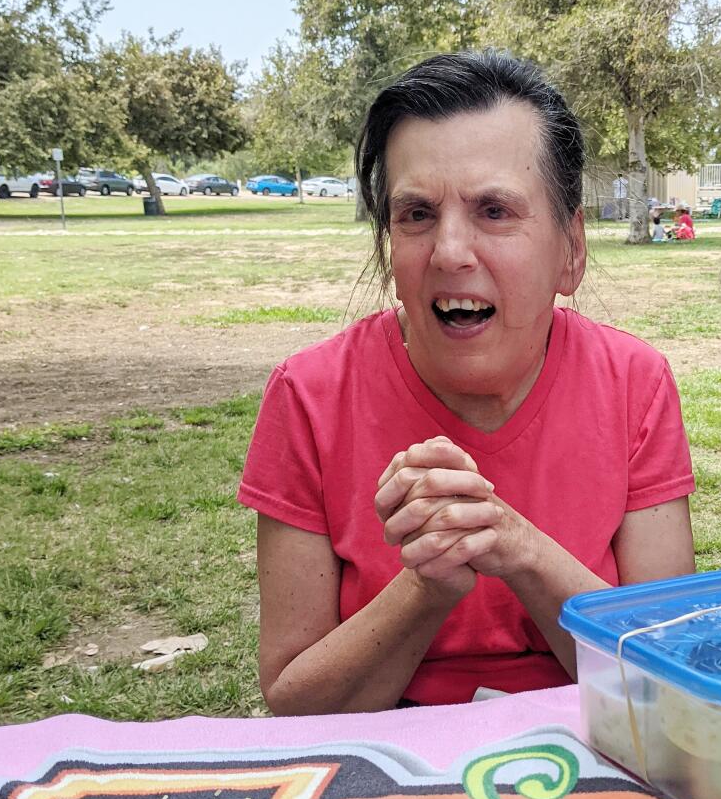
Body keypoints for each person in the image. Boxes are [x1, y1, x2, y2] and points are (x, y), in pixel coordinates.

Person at [239, 51, 696, 713]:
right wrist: (426, 586)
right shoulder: (309, 397)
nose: (450, 251)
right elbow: (296, 703)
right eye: (417, 215)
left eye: (493, 211)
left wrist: (517, 550)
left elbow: (663, 682)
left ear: (571, 250)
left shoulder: (635, 385)